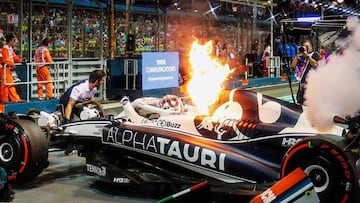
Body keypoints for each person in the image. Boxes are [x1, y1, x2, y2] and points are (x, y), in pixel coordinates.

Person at [291, 39, 320, 105]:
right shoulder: (300, 57)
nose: (305, 48)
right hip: (302, 85)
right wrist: (297, 54)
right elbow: (293, 65)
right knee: (300, 103)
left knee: (310, 104)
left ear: (311, 47)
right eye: (304, 47)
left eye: (307, 46)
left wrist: (307, 56)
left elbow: (316, 65)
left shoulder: (314, 54)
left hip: (311, 85)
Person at [0, 34, 23, 102]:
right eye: (14, 41)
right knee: (6, 84)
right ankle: (7, 99)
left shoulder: (9, 49)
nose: (15, 42)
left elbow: (14, 57)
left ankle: (12, 99)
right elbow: (5, 60)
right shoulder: (5, 48)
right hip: (4, 69)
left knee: (9, 84)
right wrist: (12, 64)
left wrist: (21, 61)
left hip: (7, 69)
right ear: (11, 41)